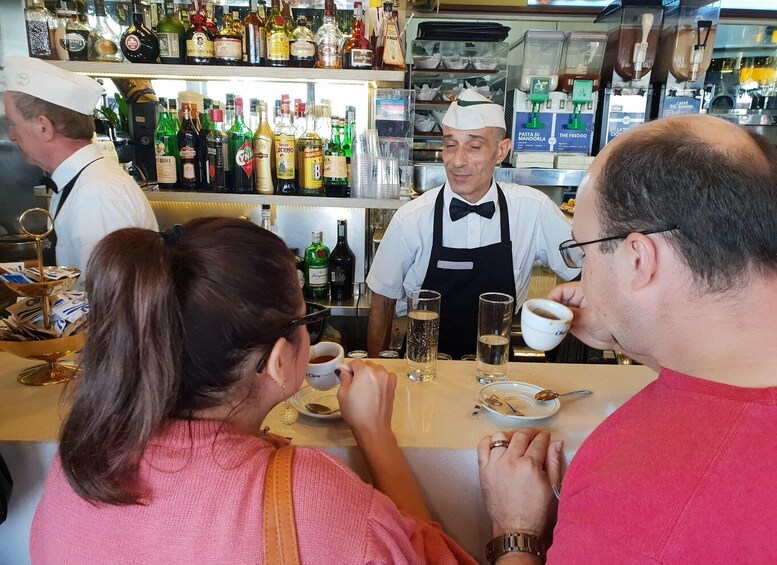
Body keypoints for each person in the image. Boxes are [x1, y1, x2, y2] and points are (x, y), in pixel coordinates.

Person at [30, 217, 477, 564]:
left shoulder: (79, 461)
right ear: (279, 361)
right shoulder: (310, 496)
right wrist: (377, 436)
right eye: (305, 319)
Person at [477, 115, 777, 563]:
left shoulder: (641, 499)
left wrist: (514, 529)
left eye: (584, 252)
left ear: (639, 259)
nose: (585, 275)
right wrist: (628, 334)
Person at [366, 89, 578, 359]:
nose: (457, 161)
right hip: (424, 366)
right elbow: (382, 303)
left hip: (496, 365)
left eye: (474, 146)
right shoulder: (411, 218)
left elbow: (582, 271)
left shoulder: (533, 209)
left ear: (501, 151)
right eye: (450, 145)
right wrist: (377, 370)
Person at [2, 56, 157, 277]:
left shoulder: (96, 195)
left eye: (13, 123)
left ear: (44, 127)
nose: (11, 135)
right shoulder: (81, 182)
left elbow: (107, 293)